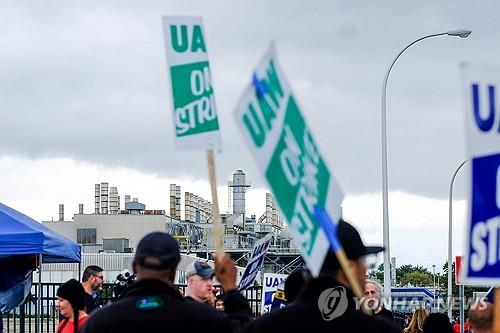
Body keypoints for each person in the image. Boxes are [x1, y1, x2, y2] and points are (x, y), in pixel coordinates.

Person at [242, 219, 400, 333]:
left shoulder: (264, 326)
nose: (365, 270)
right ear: (350, 268)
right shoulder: (377, 329)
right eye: (364, 263)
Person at [80, 232, 251, 333]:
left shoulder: (100, 322)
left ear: (134, 266)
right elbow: (244, 328)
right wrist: (230, 288)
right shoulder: (202, 319)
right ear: (174, 271)